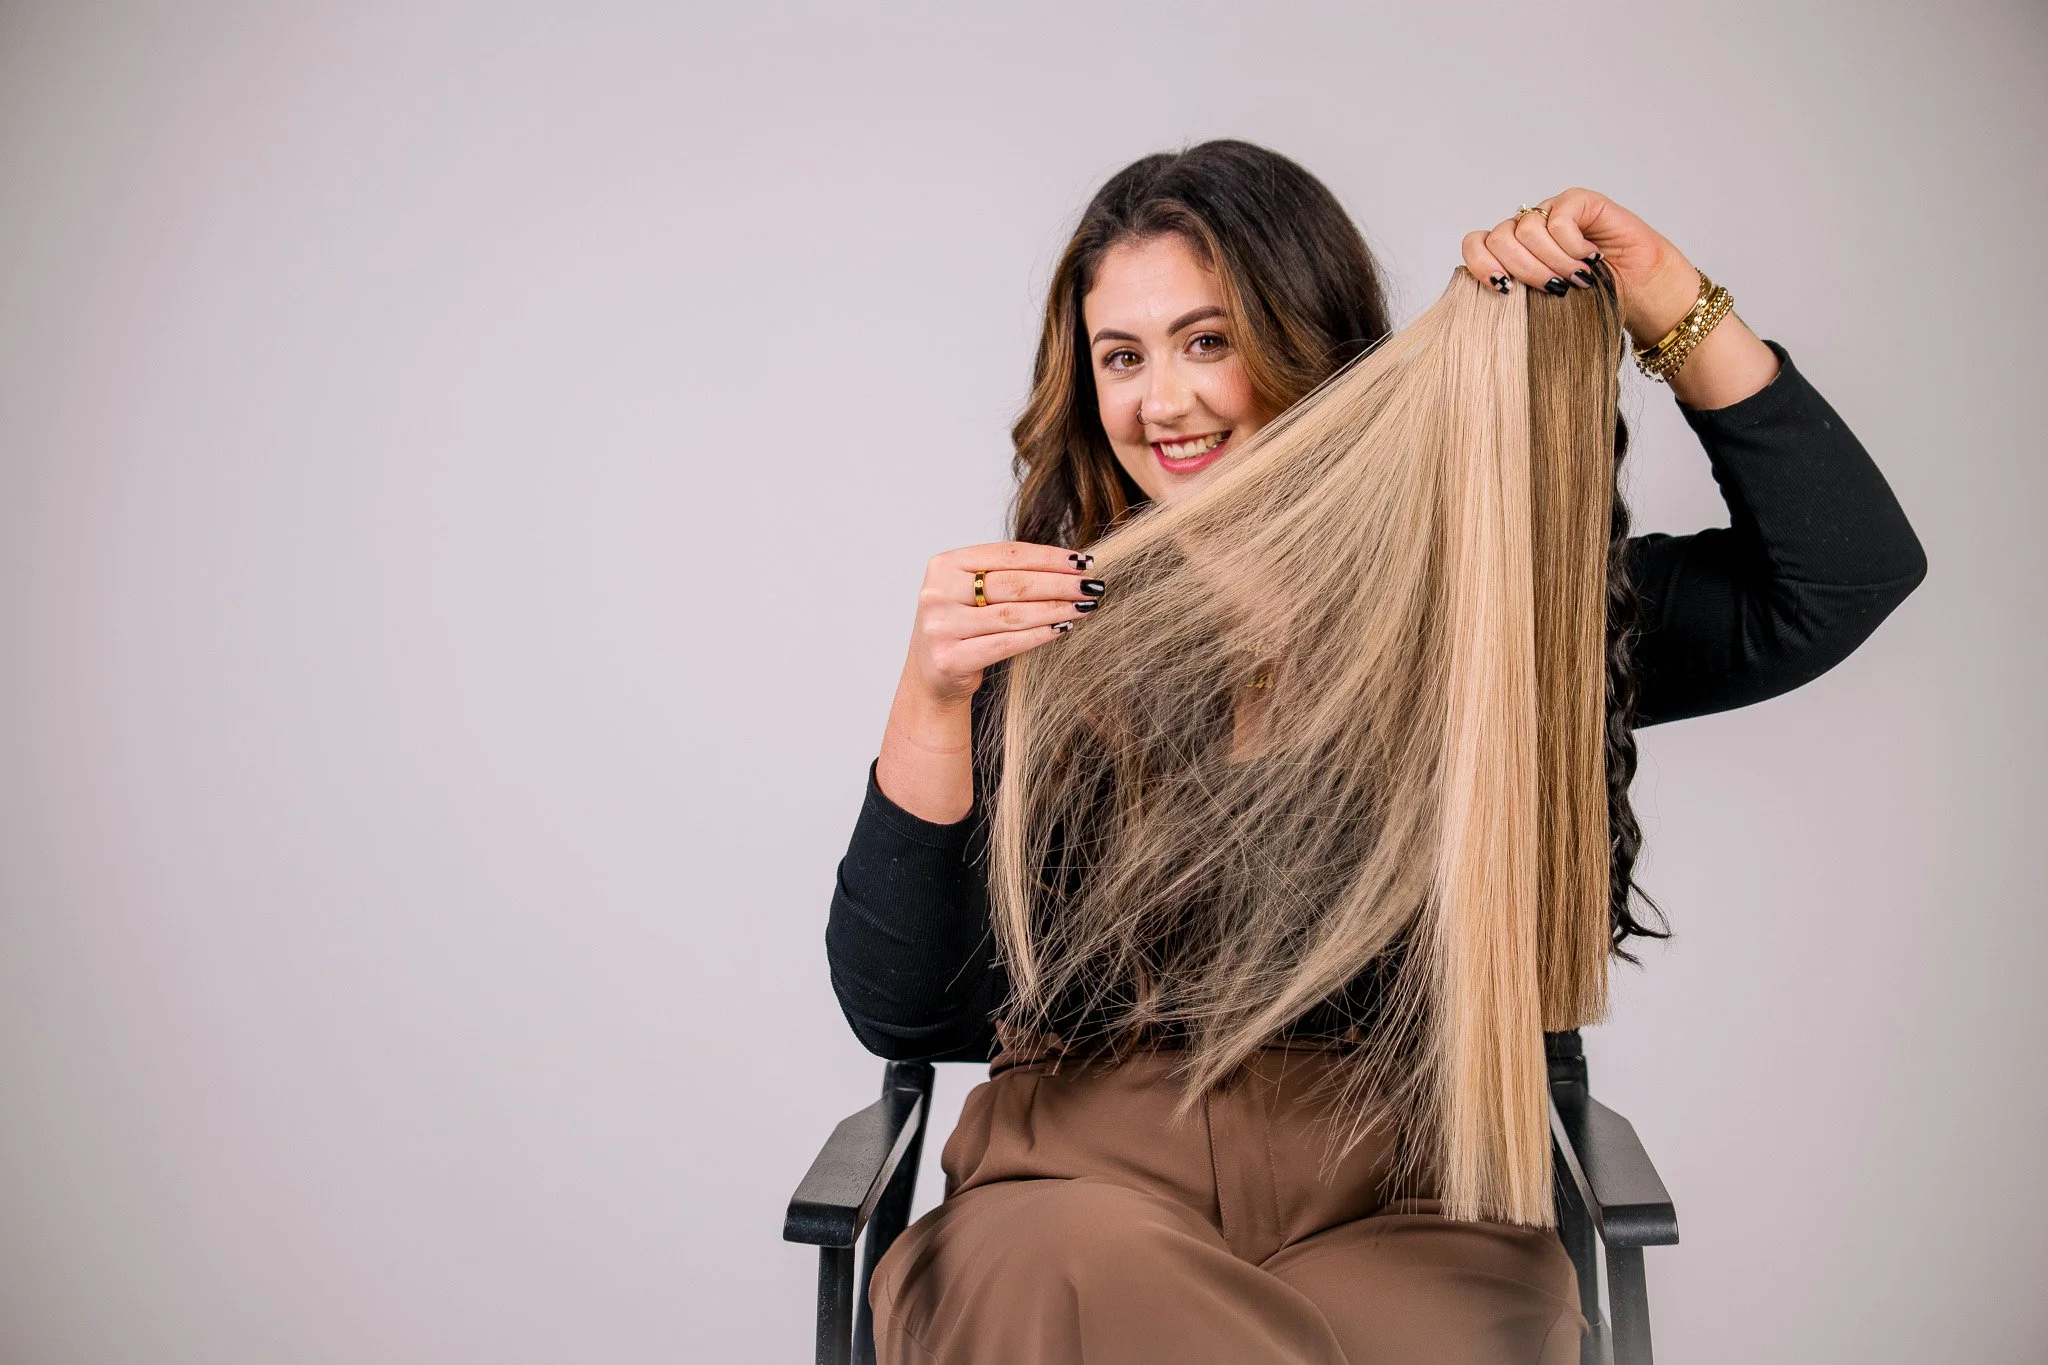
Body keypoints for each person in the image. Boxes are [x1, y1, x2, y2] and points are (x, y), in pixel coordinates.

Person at [824, 140, 1926, 1364]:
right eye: (1119, 358)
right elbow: (905, 1009)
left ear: (1312, 343)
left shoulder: (1490, 624)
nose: (1162, 402)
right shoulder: (1039, 634)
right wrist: (928, 699)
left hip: (1406, 1202)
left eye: (1208, 340)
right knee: (1068, 1274)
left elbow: (1838, 576)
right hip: (1074, 1194)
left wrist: (1667, 293)